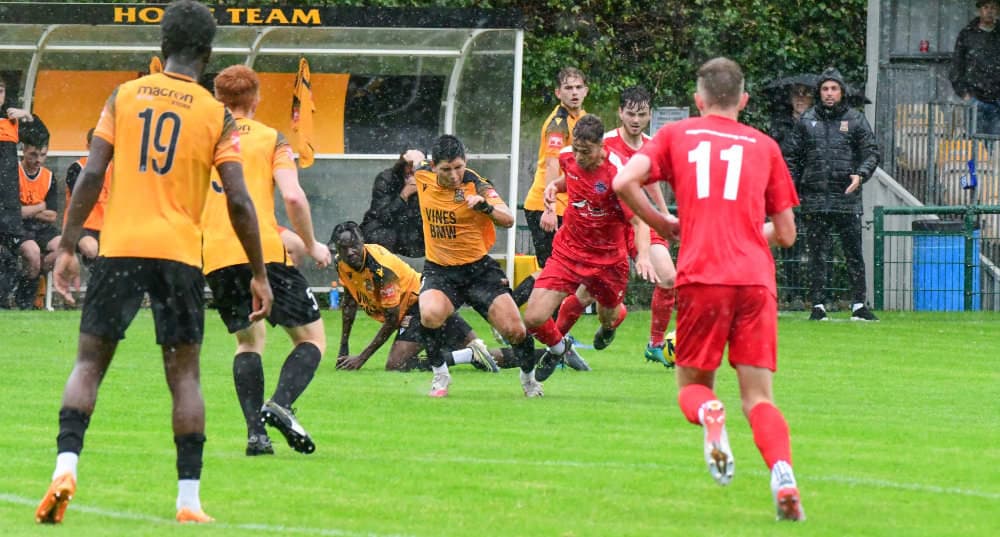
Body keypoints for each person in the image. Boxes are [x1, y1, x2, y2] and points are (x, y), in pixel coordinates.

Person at [36, 0, 272, 525]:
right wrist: (259, 273)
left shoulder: (124, 96)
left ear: (162, 46)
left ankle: (65, 467)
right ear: (207, 54)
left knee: (88, 365)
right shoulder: (215, 114)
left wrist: (69, 245)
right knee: (184, 377)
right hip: (180, 255)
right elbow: (238, 199)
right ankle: (188, 501)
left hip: (120, 247)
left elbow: (92, 173)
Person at [613, 57, 805, 521]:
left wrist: (663, 223)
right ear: (744, 100)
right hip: (754, 280)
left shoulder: (676, 135)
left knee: (693, 388)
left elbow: (623, 181)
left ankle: (710, 414)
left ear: (698, 100)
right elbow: (786, 233)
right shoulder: (765, 146)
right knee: (758, 398)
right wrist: (746, 234)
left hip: (703, 276)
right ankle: (783, 474)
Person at [202, 64, 330, 457]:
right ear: (256, 99)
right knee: (311, 339)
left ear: (218, 101)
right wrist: (311, 243)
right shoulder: (270, 138)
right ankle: (281, 403)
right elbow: (292, 196)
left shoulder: (202, 141)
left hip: (217, 257)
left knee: (249, 341)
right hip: (263, 254)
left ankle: (256, 435)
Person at [552, 86, 679, 369]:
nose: (636, 120)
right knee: (586, 294)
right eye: (631, 113)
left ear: (649, 115)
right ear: (620, 113)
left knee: (669, 278)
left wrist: (662, 215)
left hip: (639, 220)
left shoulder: (652, 146)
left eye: (642, 114)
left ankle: (655, 345)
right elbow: (574, 175)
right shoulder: (603, 144)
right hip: (609, 227)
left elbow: (650, 183)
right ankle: (557, 346)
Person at [524, 114, 656, 383]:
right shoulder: (568, 157)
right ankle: (558, 348)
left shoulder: (619, 175)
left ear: (601, 147)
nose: (579, 156)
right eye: (576, 150)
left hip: (608, 261)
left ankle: (610, 326)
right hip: (569, 251)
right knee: (533, 317)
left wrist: (643, 256)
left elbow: (639, 222)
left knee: (607, 316)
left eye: (586, 152)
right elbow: (570, 179)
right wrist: (553, 187)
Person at [414, 134, 538, 397]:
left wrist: (486, 209)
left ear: (465, 161)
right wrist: (409, 155)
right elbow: (414, 160)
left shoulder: (477, 185)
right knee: (429, 314)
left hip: (478, 271)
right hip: (440, 270)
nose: (454, 175)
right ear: (433, 166)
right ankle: (440, 376)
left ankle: (529, 380)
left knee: (515, 331)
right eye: (446, 169)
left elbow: (508, 219)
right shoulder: (422, 174)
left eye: (458, 167)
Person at [330, 220, 502, 372]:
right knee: (484, 358)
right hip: (417, 306)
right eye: (343, 248)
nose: (350, 252)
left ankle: (473, 355)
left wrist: (362, 358)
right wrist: (344, 346)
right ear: (337, 249)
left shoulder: (381, 270)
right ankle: (471, 354)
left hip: (421, 304)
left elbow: (392, 320)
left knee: (397, 364)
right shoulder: (341, 263)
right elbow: (349, 302)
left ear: (362, 241)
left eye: (354, 245)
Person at [783, 67, 880, 321]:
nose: (829, 93)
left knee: (853, 253)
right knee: (817, 254)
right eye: (825, 89)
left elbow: (871, 152)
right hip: (814, 199)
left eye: (834, 88)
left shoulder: (855, 119)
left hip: (846, 198)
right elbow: (791, 157)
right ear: (819, 92)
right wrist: (793, 187)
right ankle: (818, 305)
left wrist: (861, 175)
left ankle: (859, 305)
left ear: (842, 92)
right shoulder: (806, 121)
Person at [521, 67, 588, 269]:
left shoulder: (582, 118)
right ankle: (514, 292)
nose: (574, 92)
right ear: (558, 93)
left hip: (566, 205)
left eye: (578, 87)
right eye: (568, 88)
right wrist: (549, 209)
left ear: (586, 91)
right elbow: (552, 164)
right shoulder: (558, 122)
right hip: (546, 206)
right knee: (553, 270)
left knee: (564, 269)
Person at [0, 78, 48, 302]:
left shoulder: (10, 120)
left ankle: (19, 305)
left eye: (0, 90)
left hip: (8, 203)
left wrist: (28, 117)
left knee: (10, 256)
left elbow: (40, 138)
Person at [12, 140, 59, 309]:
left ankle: (34, 274)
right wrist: (40, 207)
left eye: (43, 155)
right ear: (24, 150)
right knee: (32, 252)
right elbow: (14, 212)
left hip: (42, 227)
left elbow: (52, 215)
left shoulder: (49, 177)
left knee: (63, 248)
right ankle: (24, 301)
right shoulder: (12, 173)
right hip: (18, 226)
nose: (38, 160)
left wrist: (27, 210)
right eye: (33, 154)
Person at [359, 149, 427, 258]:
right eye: (409, 166)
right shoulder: (387, 178)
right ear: (402, 165)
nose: (412, 171)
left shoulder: (428, 180)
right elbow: (383, 216)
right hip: (391, 229)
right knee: (376, 234)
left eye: (417, 167)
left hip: (414, 233)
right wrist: (404, 195)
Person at [60, 128, 112, 267]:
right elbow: (81, 199)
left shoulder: (117, 170)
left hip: (108, 227)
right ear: (88, 147)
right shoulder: (77, 168)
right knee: (91, 248)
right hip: (81, 226)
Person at [949, 0, 1000, 136]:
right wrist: (964, 93)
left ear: (998, 11)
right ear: (979, 10)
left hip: (998, 99)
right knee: (977, 143)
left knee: (996, 145)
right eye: (986, 7)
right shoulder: (967, 34)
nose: (989, 11)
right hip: (975, 98)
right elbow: (957, 65)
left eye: (993, 7)